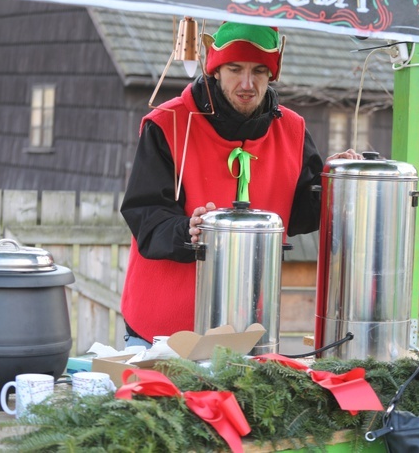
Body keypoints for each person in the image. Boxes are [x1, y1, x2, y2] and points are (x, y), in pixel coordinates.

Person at [120, 22, 361, 348]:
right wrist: (185, 231)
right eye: (235, 69)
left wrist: (333, 183)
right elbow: (145, 214)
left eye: (259, 71)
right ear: (215, 68)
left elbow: (301, 215)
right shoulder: (168, 124)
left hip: (249, 331)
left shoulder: (292, 130)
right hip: (164, 332)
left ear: (272, 73)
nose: (247, 83)